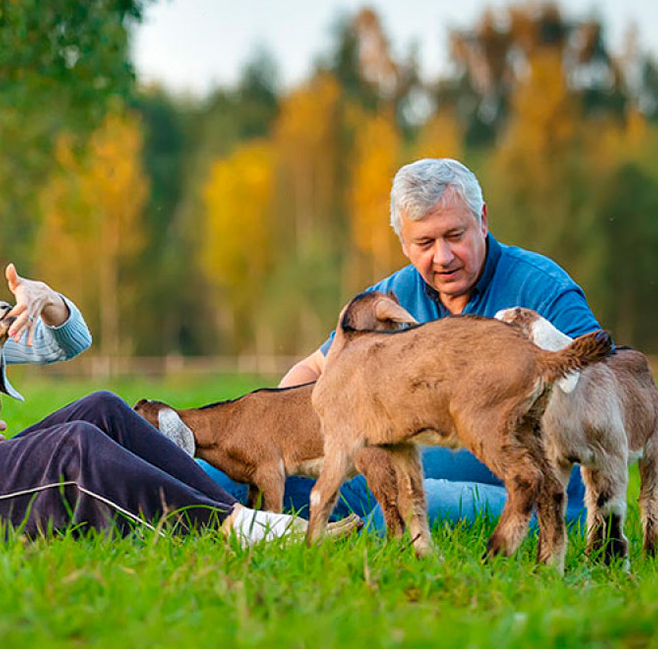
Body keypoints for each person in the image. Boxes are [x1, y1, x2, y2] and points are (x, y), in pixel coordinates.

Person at [0, 187, 325, 544]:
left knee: (101, 409)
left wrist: (47, 301)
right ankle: (225, 530)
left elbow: (69, 342)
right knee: (72, 445)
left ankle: (244, 521)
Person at [200, 158, 599, 529]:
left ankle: (340, 552)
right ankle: (163, 522)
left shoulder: (541, 287)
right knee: (222, 473)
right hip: (382, 479)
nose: (442, 257)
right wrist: (276, 442)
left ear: (482, 221)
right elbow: (316, 370)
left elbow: (600, 382)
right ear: (404, 243)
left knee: (418, 505)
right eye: (425, 243)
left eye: (454, 236)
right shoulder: (390, 297)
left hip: (525, 497)